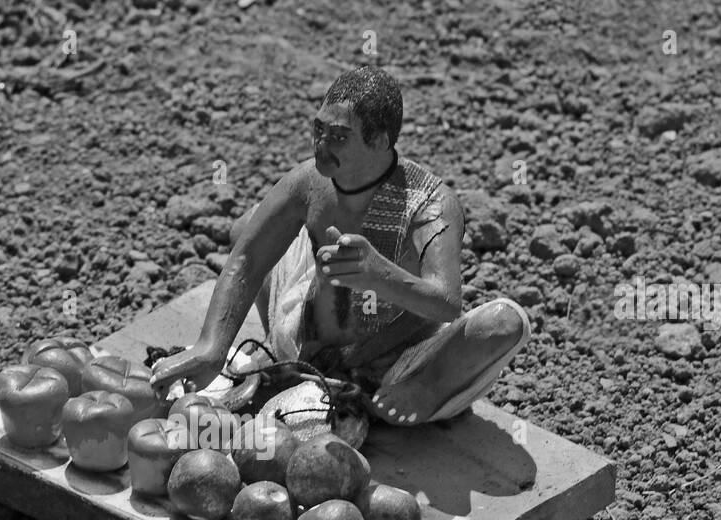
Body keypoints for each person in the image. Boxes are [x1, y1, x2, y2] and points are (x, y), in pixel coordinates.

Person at [149, 65, 530, 425]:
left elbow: (446, 303)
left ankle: (423, 389)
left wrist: (379, 275)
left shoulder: (431, 203)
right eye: (318, 130)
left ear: (380, 141)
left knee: (504, 322)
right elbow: (247, 258)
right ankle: (295, 365)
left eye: (339, 137)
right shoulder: (309, 182)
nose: (321, 145)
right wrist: (211, 346)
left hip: (393, 360)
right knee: (250, 226)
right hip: (307, 339)